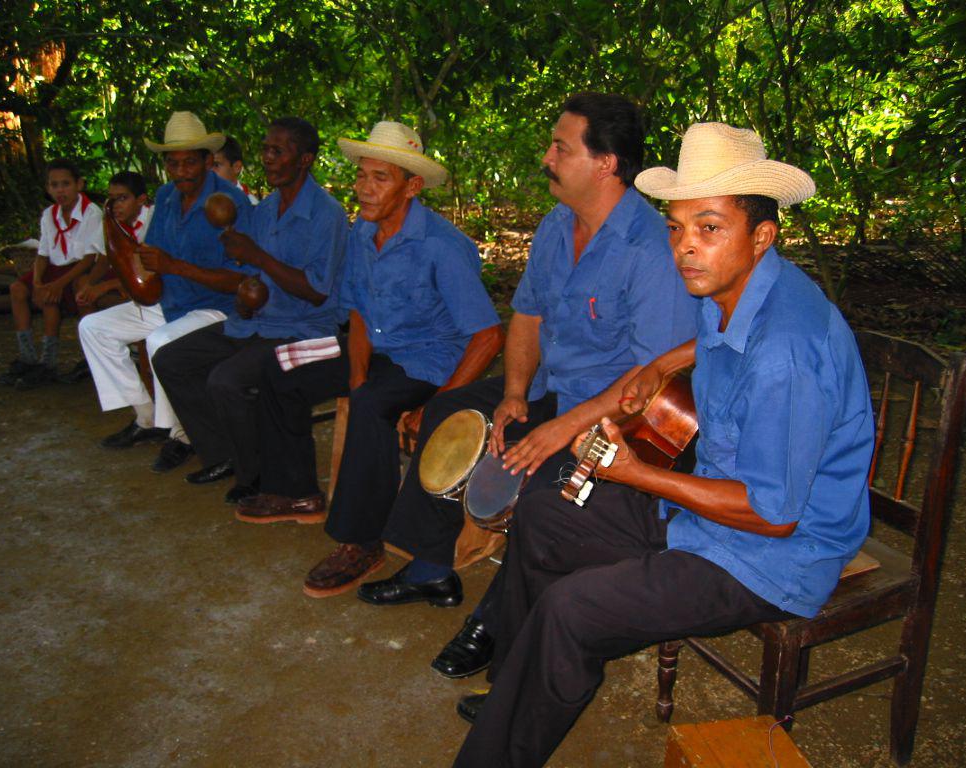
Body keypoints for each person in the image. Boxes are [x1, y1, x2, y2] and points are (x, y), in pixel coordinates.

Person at [451, 122, 875, 768]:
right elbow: (713, 339)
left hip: (769, 559)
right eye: (676, 229)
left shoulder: (788, 351)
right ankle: (517, 682)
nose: (685, 249)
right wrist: (663, 365)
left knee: (572, 610)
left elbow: (774, 513)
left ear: (763, 235)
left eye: (709, 228)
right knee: (542, 515)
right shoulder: (733, 286)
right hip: (702, 516)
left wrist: (634, 474)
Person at [355, 94, 699, 677]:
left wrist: (560, 429)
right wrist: (514, 391)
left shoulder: (649, 248)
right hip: (552, 390)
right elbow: (529, 317)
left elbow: (651, 378)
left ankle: (493, 619)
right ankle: (431, 566)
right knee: (449, 410)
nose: (547, 156)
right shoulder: (556, 225)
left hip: (620, 417)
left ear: (606, 163)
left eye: (561, 147)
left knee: (544, 487)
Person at [236, 121, 503, 600]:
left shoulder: (441, 247)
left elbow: (487, 336)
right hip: (373, 346)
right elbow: (357, 309)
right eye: (361, 176)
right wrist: (356, 374)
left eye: (380, 178)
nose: (363, 188)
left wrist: (440, 402)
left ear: (411, 186)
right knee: (282, 364)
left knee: (371, 406)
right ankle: (296, 489)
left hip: (426, 361)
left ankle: (361, 540)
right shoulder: (364, 231)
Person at [152, 117, 347, 504]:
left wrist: (256, 255)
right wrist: (244, 293)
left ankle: (255, 474)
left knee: (226, 380)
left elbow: (316, 293)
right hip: (256, 322)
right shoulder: (265, 209)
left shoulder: (327, 214)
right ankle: (226, 453)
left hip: (304, 328)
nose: (268, 159)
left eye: (279, 151)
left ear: (305, 159)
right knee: (172, 359)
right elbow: (250, 276)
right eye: (265, 149)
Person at [77, 111, 252, 470]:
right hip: (170, 298)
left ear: (207, 161)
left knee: (162, 342)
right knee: (93, 328)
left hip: (214, 306)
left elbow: (240, 280)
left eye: (191, 162)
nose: (182, 171)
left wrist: (172, 267)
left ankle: (181, 434)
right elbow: (152, 256)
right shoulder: (166, 196)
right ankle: (146, 418)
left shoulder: (231, 202)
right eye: (173, 163)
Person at [0, 158, 105, 389]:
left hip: (77, 269)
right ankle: (28, 357)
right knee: (17, 289)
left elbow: (88, 259)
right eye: (54, 185)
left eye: (65, 184)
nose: (60, 190)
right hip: (54, 268)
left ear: (79, 184)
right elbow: (43, 253)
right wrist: (36, 282)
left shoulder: (91, 213)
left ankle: (49, 362)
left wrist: (56, 285)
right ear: (48, 188)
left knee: (51, 300)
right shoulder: (49, 214)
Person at [75, 171, 154, 310]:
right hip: (124, 273)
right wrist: (89, 286)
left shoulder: (154, 217)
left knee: (125, 295)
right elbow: (104, 259)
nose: (115, 205)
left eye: (123, 198)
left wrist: (106, 286)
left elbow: (149, 269)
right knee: (82, 284)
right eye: (111, 198)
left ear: (141, 199)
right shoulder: (111, 219)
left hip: (149, 275)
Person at [213, 136, 260, 204]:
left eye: (216, 165)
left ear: (237, 167)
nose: (209, 171)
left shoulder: (250, 204)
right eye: (207, 165)